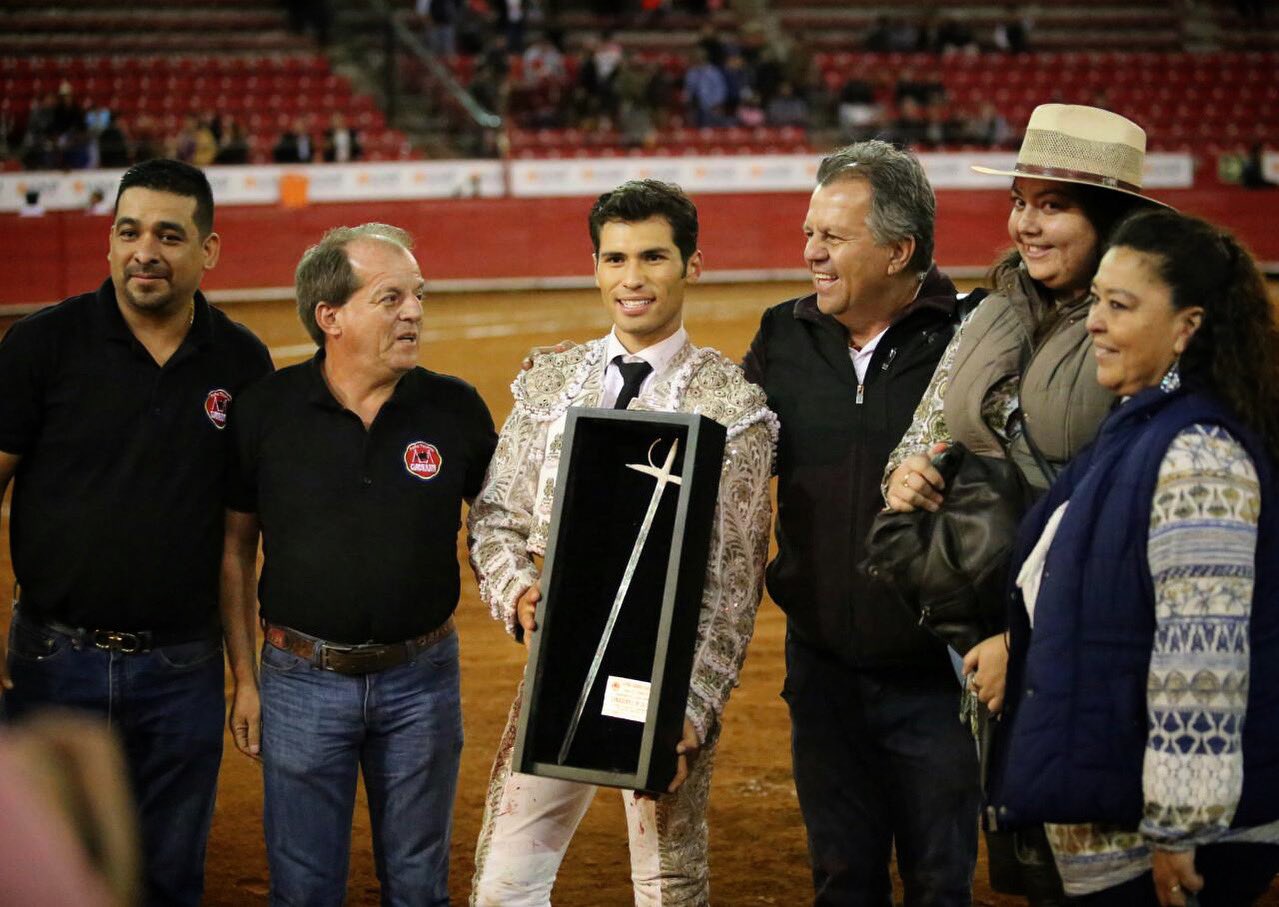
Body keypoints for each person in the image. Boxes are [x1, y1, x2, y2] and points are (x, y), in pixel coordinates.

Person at [883, 102, 1166, 904]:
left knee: (1105, 862)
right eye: (1020, 201)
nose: (1026, 225)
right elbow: (930, 424)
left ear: (1110, 220)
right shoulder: (995, 305)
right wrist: (908, 470)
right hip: (981, 626)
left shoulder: (1141, 328)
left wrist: (1026, 637)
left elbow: (1123, 511)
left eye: (1053, 205)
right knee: (1036, 860)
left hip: (1089, 639)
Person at [468, 179, 776, 905]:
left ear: (691, 265)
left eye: (653, 257)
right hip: (557, 665)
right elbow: (495, 517)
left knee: (666, 886)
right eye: (614, 258)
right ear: (596, 266)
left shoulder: (732, 408)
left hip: (664, 685)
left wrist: (693, 709)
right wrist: (518, 591)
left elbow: (733, 585)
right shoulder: (548, 383)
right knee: (503, 883)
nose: (631, 279)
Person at [0, 158, 273, 906]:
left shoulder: (242, 362)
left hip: (182, 671)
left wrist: (246, 677)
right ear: (108, 242)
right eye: (128, 231)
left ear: (208, 251)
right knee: (46, 879)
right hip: (51, 663)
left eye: (167, 234)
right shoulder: (41, 346)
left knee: (169, 879)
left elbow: (236, 543)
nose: (143, 250)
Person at [989, 209, 1279, 905]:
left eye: (1120, 306)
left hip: (1166, 839)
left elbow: (1201, 656)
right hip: (1117, 813)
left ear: (1186, 326)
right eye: (1096, 301)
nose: (1093, 321)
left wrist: (1179, 826)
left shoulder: (1198, 456)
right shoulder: (1141, 428)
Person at [221, 223, 497, 906]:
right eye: (390, 297)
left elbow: (502, 524)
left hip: (422, 683)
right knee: (305, 886)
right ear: (330, 317)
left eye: (418, 295)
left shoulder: (454, 406)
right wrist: (244, 681)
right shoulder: (265, 411)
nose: (414, 312)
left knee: (418, 885)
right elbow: (233, 549)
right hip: (298, 681)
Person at [742, 141, 978, 905]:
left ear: (898, 249)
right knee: (841, 880)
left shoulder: (970, 343)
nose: (809, 252)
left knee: (940, 882)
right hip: (821, 673)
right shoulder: (781, 337)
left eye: (831, 237)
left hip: (936, 675)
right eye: (810, 232)